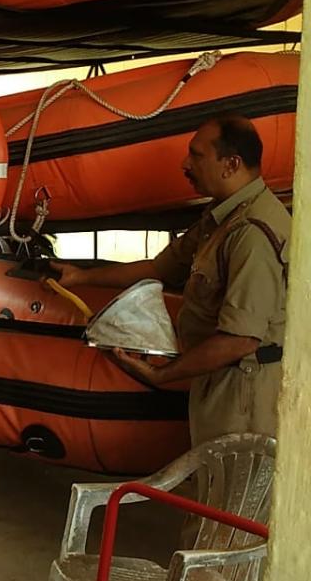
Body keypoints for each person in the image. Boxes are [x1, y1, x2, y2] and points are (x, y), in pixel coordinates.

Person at [53, 116, 289, 446]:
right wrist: (82, 277)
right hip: (221, 379)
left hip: (244, 388)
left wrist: (164, 374)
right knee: (212, 486)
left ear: (230, 164)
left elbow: (241, 339)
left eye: (196, 155)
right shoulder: (220, 216)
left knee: (232, 491)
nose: (185, 163)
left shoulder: (252, 233)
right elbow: (161, 268)